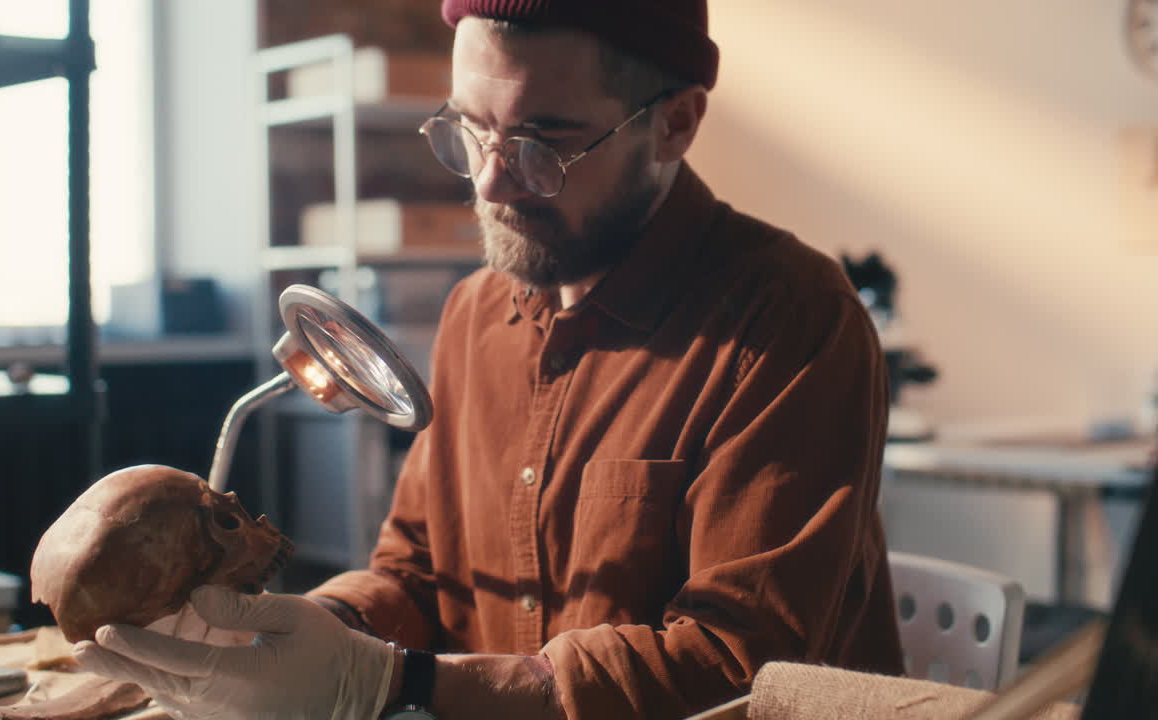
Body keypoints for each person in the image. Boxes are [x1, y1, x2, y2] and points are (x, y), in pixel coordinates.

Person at [72, 1, 905, 718]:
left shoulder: (792, 321)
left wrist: (387, 683)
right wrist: (295, 638)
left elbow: (737, 669)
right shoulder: (477, 313)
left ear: (676, 123)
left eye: (545, 144)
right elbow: (419, 574)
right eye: (470, 130)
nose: (493, 184)